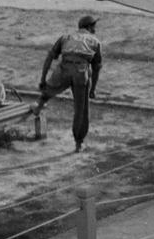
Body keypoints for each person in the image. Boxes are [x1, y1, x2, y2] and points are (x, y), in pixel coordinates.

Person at [35, 14, 103, 151]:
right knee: (81, 109)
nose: (95, 29)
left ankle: (39, 106)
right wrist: (93, 89)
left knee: (50, 88)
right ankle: (79, 143)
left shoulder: (66, 36)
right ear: (89, 27)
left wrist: (43, 79)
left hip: (64, 68)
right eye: (94, 26)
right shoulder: (95, 41)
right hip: (81, 71)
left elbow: (50, 57)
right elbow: (96, 69)